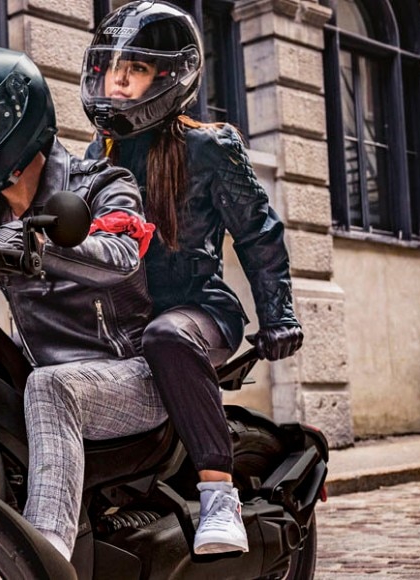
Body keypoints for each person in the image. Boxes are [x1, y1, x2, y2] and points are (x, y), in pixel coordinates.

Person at [80, 0, 305, 555]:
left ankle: (218, 493)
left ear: (167, 77)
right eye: (112, 69)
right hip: (123, 316)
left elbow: (259, 234)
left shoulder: (208, 147)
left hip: (198, 310)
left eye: (133, 70)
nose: (118, 82)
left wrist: (279, 315)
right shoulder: (96, 155)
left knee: (167, 336)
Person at [0, 46, 161, 561]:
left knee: (52, 387)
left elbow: (123, 254)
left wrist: (40, 246)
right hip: (43, 372)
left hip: (133, 373)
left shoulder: (102, 182)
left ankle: (44, 558)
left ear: (20, 118)